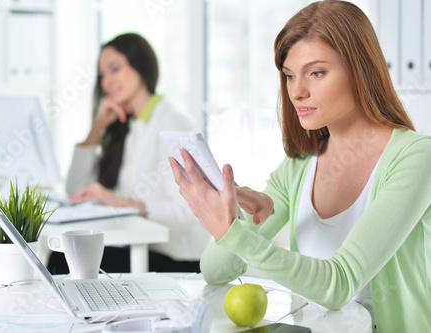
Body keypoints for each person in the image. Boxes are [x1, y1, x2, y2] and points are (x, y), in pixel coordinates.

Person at [168, 1, 431, 332]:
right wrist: (238, 218)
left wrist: (232, 234)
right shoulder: (299, 167)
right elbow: (214, 270)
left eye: (316, 72)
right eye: (290, 76)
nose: (297, 91)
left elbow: (339, 283)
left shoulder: (416, 158)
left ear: (360, 69)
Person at [48, 33, 210, 274]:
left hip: (179, 260)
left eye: (115, 69)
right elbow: (75, 188)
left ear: (141, 66)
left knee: (62, 260)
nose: (106, 82)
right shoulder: (129, 127)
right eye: (102, 75)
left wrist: (120, 203)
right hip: (139, 250)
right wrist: (98, 126)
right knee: (66, 254)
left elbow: (190, 211)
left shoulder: (173, 123)